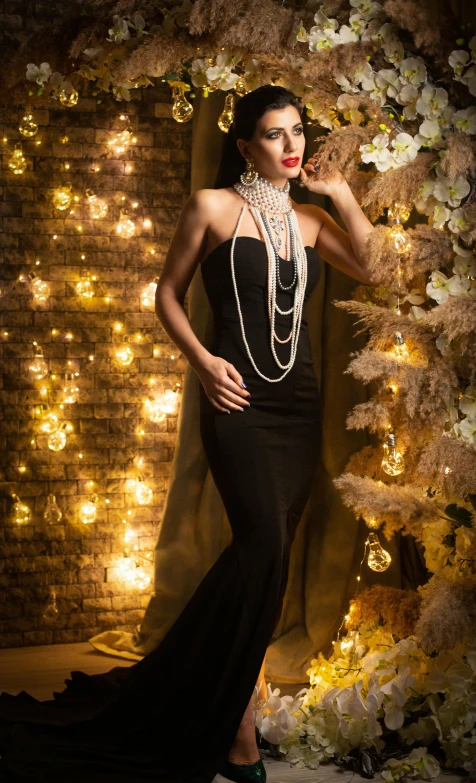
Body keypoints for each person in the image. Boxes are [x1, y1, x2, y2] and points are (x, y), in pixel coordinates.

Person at [0, 85, 379, 783]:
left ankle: (214, 687)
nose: (290, 146)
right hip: (235, 401)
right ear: (244, 146)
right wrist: (203, 363)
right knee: (263, 543)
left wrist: (341, 195)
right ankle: (236, 725)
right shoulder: (211, 207)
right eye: (273, 134)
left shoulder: (309, 221)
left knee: (268, 556)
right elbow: (165, 293)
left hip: (298, 408)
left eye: (296, 132)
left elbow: (377, 267)